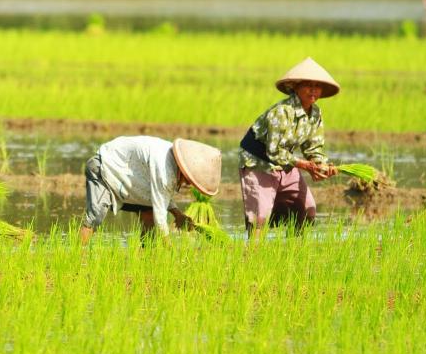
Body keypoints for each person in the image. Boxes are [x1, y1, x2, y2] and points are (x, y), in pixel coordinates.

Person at [238, 57, 340, 239]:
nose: (313, 90)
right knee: (259, 218)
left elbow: (313, 148)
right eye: (308, 85)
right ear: (295, 87)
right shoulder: (282, 112)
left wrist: (322, 166)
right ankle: (251, 258)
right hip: (258, 162)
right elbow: (274, 151)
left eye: (317, 86)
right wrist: (306, 166)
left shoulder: (315, 113)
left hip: (286, 163)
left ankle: (293, 253)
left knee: (307, 210)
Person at [79, 136, 222, 244]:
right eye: (189, 180)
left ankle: (144, 259)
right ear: (185, 170)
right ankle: (78, 256)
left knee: (148, 212)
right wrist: (169, 249)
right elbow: (160, 217)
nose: (189, 184)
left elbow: (161, 195)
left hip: (129, 177)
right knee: (95, 216)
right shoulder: (165, 168)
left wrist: (177, 214)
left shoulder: (172, 163)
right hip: (106, 166)